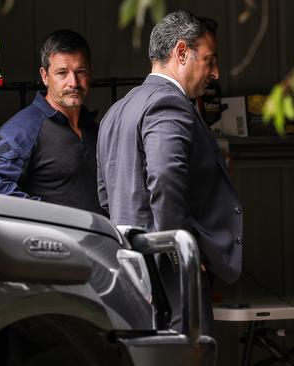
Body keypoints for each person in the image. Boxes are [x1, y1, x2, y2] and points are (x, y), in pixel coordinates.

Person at [97, 10, 242, 335]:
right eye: (210, 59)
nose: (215, 72)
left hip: (131, 274)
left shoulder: (116, 111)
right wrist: (179, 255)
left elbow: (106, 194)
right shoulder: (169, 104)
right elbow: (165, 179)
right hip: (170, 279)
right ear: (180, 52)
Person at [0, 30, 104, 216]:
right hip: (52, 243)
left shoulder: (96, 130)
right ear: (44, 76)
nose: (73, 82)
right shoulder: (22, 130)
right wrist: (52, 218)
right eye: (62, 73)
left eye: (80, 72)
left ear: (90, 72)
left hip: (99, 241)